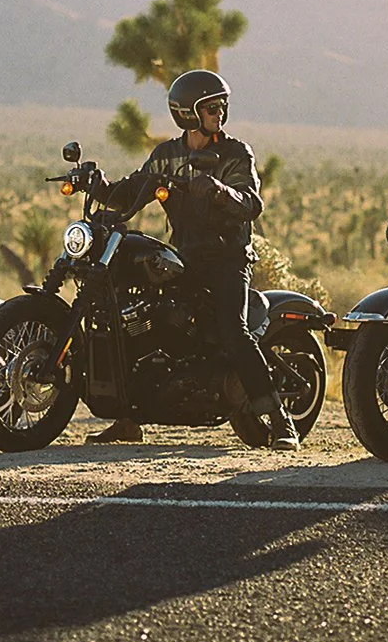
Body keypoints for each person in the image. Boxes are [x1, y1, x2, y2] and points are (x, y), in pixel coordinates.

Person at [88, 69, 300, 450]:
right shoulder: (166, 156)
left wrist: (219, 192)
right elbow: (129, 195)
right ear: (188, 113)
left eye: (222, 105)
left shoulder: (235, 152)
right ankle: (127, 418)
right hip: (183, 256)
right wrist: (97, 186)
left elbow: (251, 203)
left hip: (227, 258)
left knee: (233, 331)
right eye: (211, 107)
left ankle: (279, 420)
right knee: (128, 314)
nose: (220, 113)